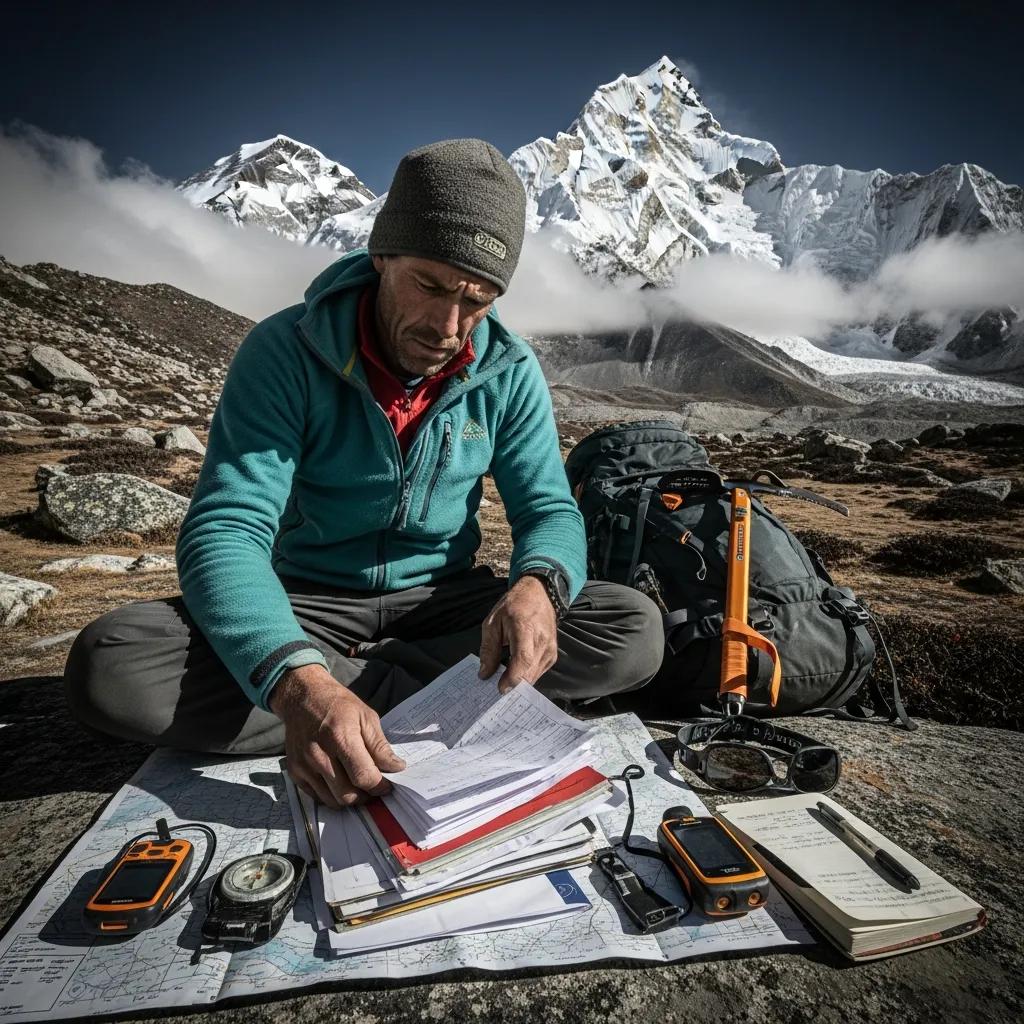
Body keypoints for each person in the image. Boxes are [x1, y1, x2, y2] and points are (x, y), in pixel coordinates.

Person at [64, 139, 663, 809]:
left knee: (629, 626)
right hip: (307, 604)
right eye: (429, 286)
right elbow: (228, 528)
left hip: (445, 603)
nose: (448, 326)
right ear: (383, 255)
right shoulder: (285, 350)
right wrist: (299, 679)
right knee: (112, 662)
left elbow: (548, 510)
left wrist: (538, 589)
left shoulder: (509, 370)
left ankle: (350, 711)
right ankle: (396, 704)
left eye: (478, 299)